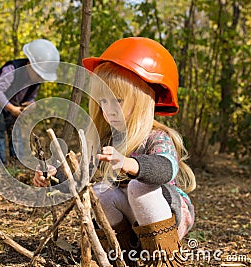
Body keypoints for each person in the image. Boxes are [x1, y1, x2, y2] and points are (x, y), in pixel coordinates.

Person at [33, 37, 196, 267]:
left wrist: (130, 164)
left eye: (117, 100)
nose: (108, 110)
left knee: (140, 186)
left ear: (142, 99)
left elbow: (166, 168)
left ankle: (163, 258)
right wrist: (53, 175)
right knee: (101, 191)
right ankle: (123, 252)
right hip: (134, 220)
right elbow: (83, 171)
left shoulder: (156, 137)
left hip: (165, 215)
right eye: (103, 101)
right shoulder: (109, 139)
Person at [0, 39, 60, 165]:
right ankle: (0, 162)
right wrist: (12, 109)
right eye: (39, 74)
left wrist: (30, 105)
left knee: (15, 129)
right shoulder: (12, 70)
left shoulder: (36, 80)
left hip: (13, 103)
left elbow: (31, 97)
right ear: (29, 64)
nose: (40, 78)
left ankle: (17, 161)